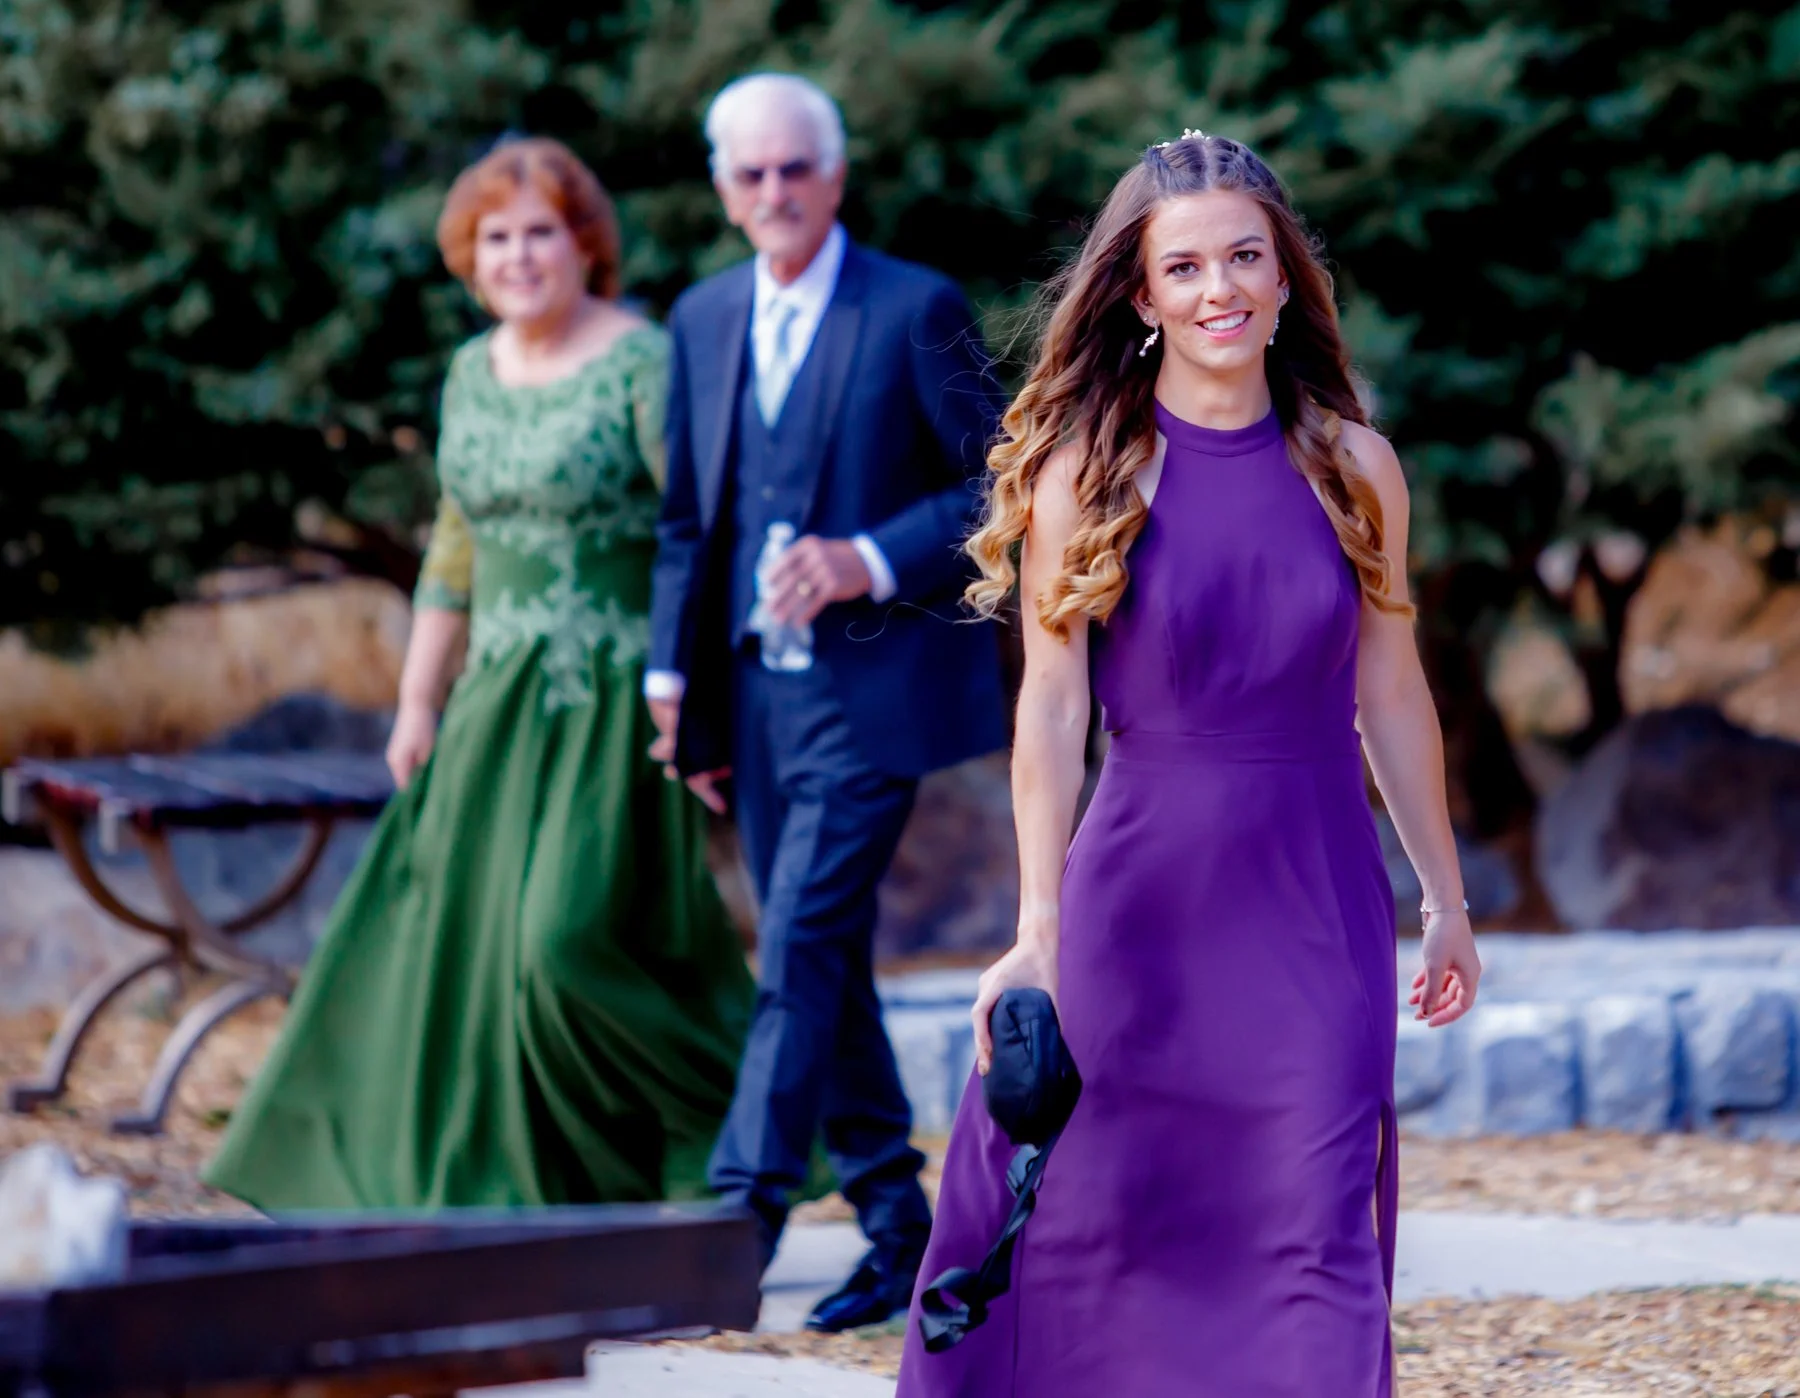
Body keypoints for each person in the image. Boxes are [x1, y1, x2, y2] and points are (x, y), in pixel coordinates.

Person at [897, 133, 1483, 1395]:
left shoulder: (1355, 467)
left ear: (1284, 281)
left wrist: (1445, 900)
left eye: (1243, 257)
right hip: (1136, 908)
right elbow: (1051, 714)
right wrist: (1036, 932)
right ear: (1142, 296)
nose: (1218, 287)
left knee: (1319, 1236)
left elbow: (1394, 691)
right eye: (1185, 266)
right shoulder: (1089, 478)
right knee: (1111, 1237)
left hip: (1318, 903)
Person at [205, 138, 755, 1210]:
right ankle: (552, 1186)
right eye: (497, 238)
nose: (519, 256)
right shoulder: (469, 371)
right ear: (472, 255)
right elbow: (453, 546)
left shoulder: (640, 361)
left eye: (540, 232)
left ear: (582, 242)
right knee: (477, 950)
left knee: (565, 942)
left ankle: (733, 1119)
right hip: (493, 702)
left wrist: (693, 694)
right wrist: (416, 701)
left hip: (614, 699)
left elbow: (698, 533)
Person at [647, 74, 1008, 1331]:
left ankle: (735, 1222)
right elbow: (688, 520)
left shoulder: (915, 307)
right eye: (747, 175)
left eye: (793, 169)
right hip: (751, 700)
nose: (772, 194)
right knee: (828, 960)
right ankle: (899, 1225)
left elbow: (996, 487)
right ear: (723, 189)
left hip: (873, 699)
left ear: (834, 176)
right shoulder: (699, 319)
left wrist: (867, 558)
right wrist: (671, 686)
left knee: (796, 940)